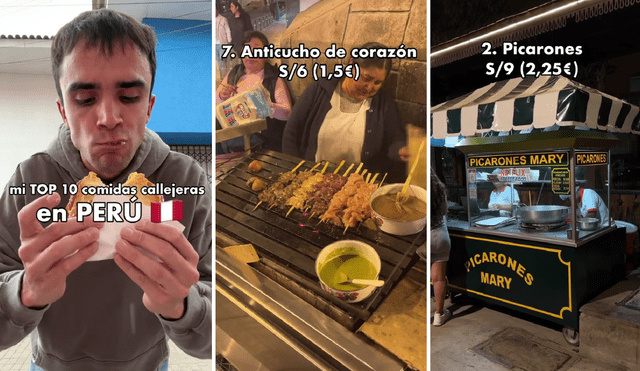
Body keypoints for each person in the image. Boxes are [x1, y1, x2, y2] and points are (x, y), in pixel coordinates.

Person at [0, 9, 211, 371]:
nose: (109, 118)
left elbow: (215, 327)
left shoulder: (186, 182)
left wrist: (184, 305)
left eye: (129, 96)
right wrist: (24, 293)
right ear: (63, 111)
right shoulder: (30, 182)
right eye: (85, 99)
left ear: (149, 107)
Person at [282, 41, 410, 181]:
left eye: (377, 82)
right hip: (314, 179)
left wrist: (400, 149)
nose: (369, 87)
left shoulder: (384, 103)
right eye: (366, 78)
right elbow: (292, 132)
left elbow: (395, 138)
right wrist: (295, 171)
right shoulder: (320, 89)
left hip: (355, 185)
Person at [216, 30, 292, 152]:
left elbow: (288, 114)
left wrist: (266, 106)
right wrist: (222, 95)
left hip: (262, 146)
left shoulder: (273, 78)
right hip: (233, 142)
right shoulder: (234, 74)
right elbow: (216, 103)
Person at [431, 168, 451, 326]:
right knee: (438, 278)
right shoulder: (439, 189)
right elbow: (444, 210)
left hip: (424, 238)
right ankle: (438, 315)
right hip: (440, 236)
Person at [216, 4, 233, 76]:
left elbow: (227, 30)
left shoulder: (223, 19)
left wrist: (229, 41)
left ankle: (225, 74)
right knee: (218, 59)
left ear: (217, 10)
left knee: (223, 59)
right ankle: (222, 73)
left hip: (222, 42)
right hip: (214, 44)